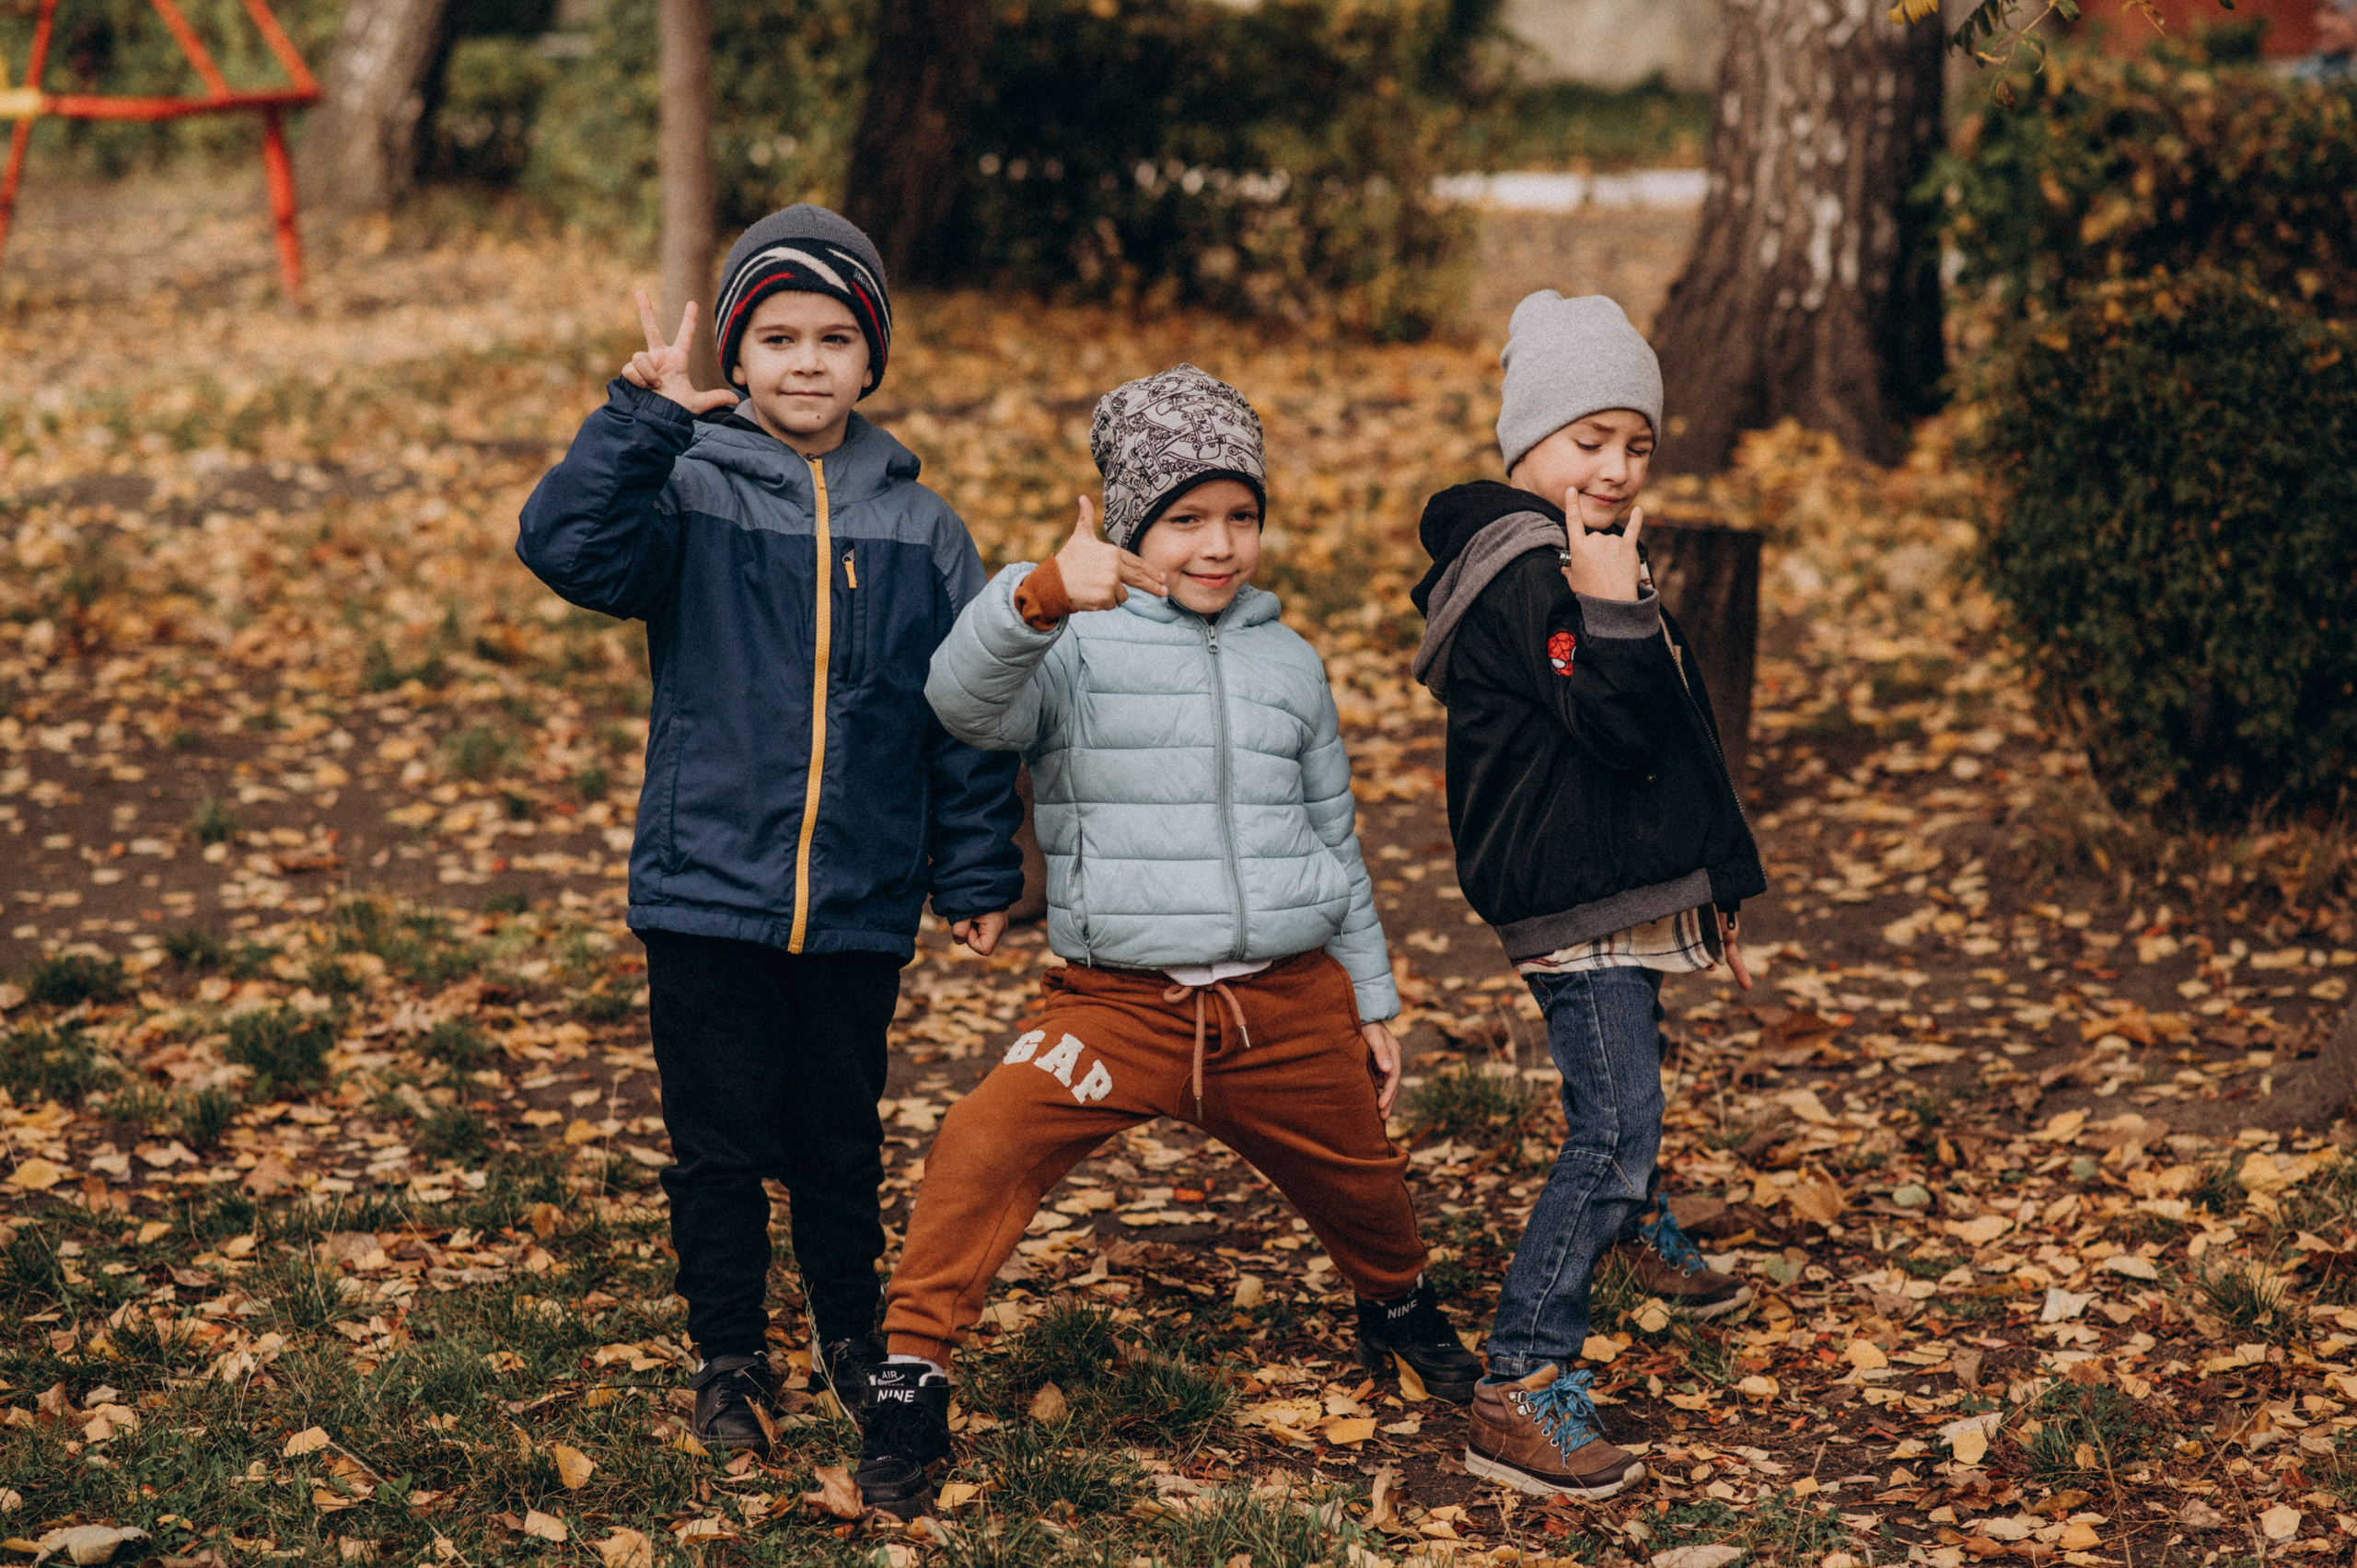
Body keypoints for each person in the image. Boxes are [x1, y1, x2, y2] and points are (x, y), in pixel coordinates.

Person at [851, 365, 1486, 1517]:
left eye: (1240, 515)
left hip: (1284, 1000)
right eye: (1185, 519)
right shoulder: (1074, 650)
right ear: (1135, 525)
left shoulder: (1289, 663)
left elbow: (1332, 839)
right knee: (979, 1143)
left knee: (1369, 1189)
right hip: (1116, 1005)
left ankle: (1396, 1306)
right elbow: (959, 700)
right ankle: (911, 1373)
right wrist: (1039, 594)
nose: (1218, 544)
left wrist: (1372, 999)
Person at [515, 204, 1022, 1455]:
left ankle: (854, 1331)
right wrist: (638, 419)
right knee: (720, 1143)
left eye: (835, 337)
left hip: (859, 893)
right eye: (779, 336)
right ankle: (729, 1351)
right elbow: (563, 545)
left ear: (872, 360)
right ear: (736, 357)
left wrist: (974, 863)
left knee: (841, 1138)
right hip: (705, 885)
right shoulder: (683, 490)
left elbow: (964, 714)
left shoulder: (925, 528)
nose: (806, 360)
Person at [1408, 293, 1767, 1499]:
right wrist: (1611, 603)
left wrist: (1719, 882)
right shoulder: (1529, 572)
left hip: (1618, 872)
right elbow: (1615, 722)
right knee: (1611, 1124)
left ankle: (1639, 1225)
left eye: (1636, 445)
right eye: (1587, 440)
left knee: (1634, 1087)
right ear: (1526, 445)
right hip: (1570, 887)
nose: (1614, 468)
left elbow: (1682, 736)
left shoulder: (1589, 549)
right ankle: (1521, 1375)